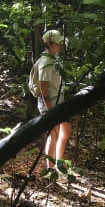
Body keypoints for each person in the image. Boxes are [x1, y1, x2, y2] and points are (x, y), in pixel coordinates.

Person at [37, 29, 71, 171]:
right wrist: (50, 111)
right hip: (50, 103)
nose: (61, 46)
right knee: (54, 135)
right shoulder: (45, 63)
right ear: (50, 44)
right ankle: (50, 169)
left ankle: (59, 163)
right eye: (58, 44)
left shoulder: (55, 58)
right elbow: (43, 90)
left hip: (59, 101)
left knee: (65, 131)